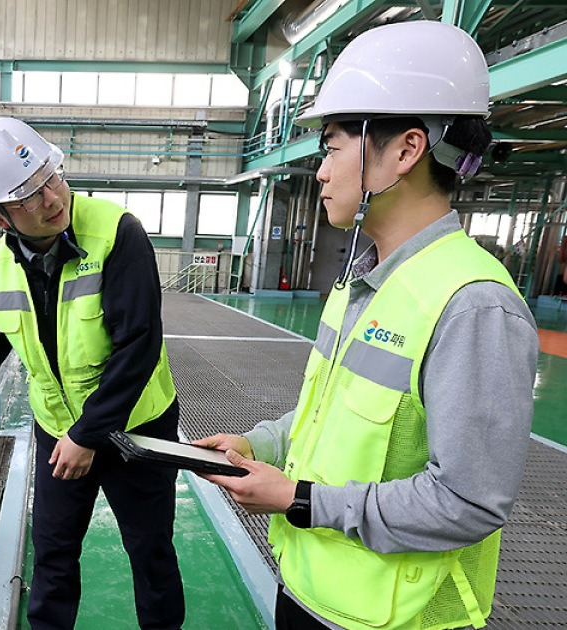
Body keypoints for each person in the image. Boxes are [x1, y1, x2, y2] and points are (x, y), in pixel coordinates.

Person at [195, 21, 539, 630]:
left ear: (406, 150)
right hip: (309, 585)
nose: (321, 171)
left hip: (395, 617)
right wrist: (261, 445)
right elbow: (327, 419)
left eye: (331, 147)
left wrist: (299, 501)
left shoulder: (473, 303)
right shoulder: (361, 279)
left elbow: (467, 501)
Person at [0, 117, 186, 629]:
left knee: (150, 552)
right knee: (53, 553)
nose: (51, 198)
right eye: (29, 194)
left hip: (137, 430)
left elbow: (139, 346)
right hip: (59, 431)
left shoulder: (117, 234)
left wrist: (89, 434)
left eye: (51, 176)